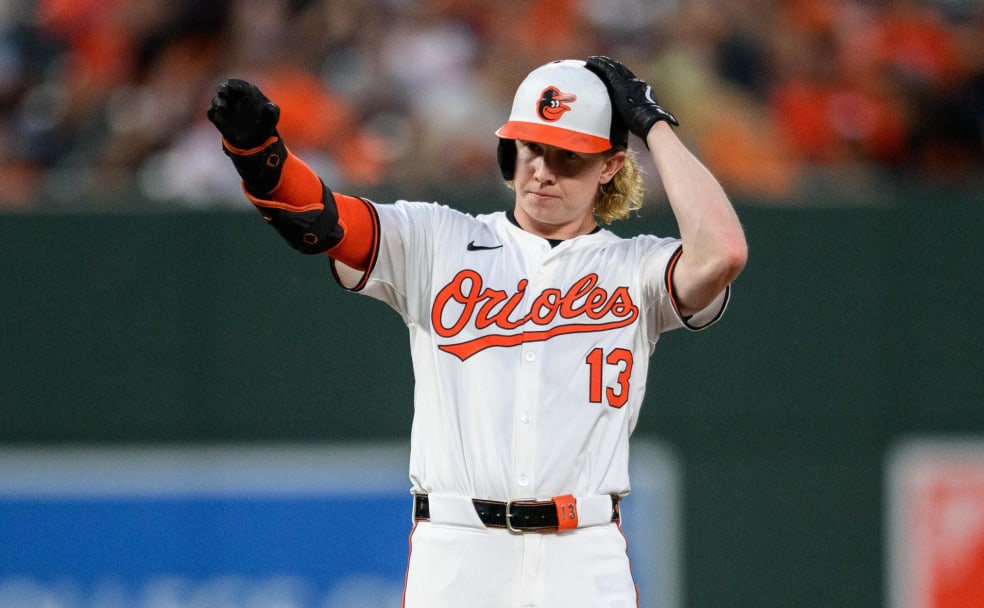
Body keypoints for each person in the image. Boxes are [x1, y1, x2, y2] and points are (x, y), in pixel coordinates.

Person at [207, 56, 747, 607]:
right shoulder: (437, 239)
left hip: (582, 554)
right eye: (532, 148)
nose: (543, 170)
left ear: (609, 166)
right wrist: (260, 157)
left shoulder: (637, 267)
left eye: (569, 157)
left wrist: (654, 125)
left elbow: (723, 252)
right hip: (458, 549)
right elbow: (319, 220)